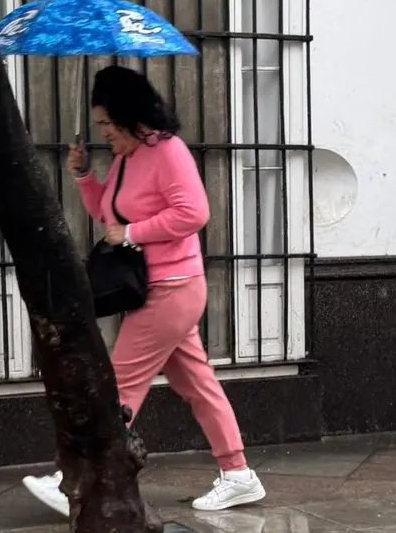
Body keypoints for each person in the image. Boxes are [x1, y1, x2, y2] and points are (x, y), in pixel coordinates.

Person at [22, 65, 266, 515]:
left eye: (106, 124)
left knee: (118, 384)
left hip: (172, 287)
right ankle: (238, 475)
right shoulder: (126, 157)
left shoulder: (166, 151)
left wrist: (134, 233)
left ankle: (77, 481)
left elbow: (193, 213)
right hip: (159, 289)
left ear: (129, 115)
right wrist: (83, 177)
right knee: (199, 384)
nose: (102, 133)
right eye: (98, 125)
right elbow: (107, 215)